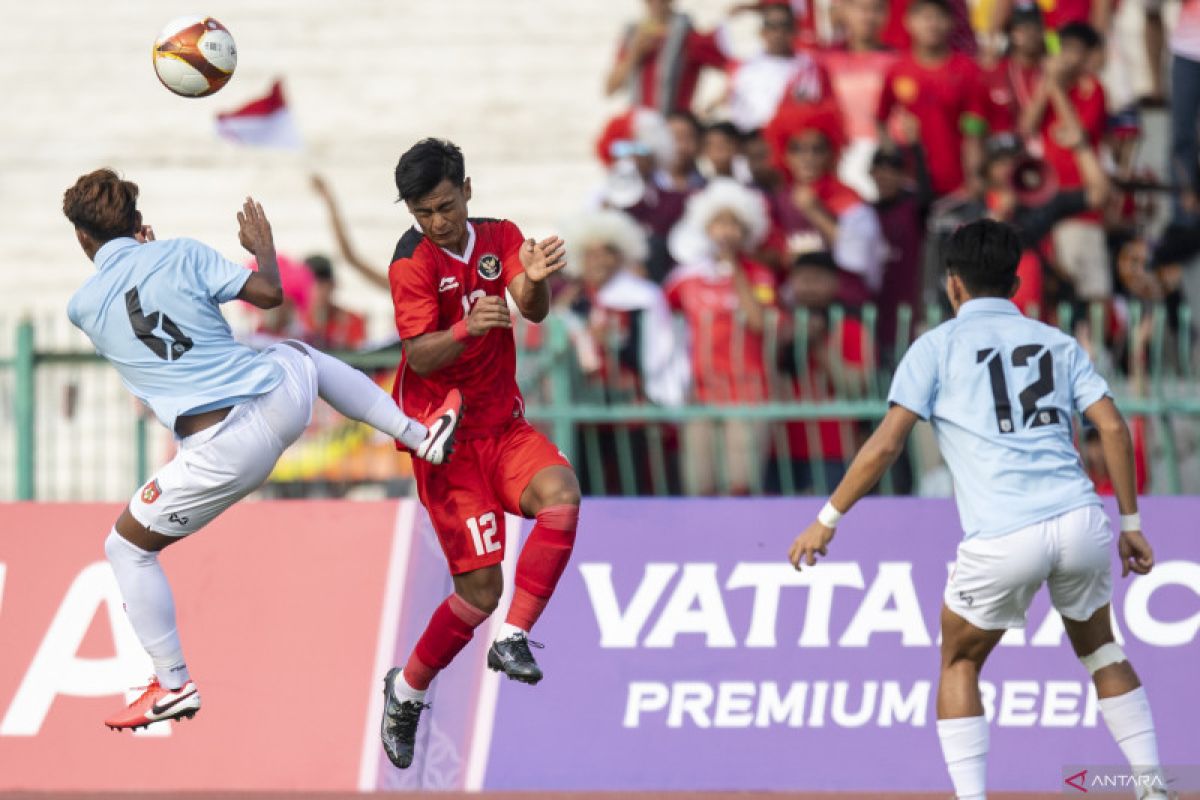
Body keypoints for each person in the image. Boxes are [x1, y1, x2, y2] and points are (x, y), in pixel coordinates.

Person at [61, 169, 460, 731]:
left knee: (126, 550)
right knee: (297, 352)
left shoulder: (81, 307)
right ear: (136, 221)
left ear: (82, 238)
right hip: (279, 401)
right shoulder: (181, 252)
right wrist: (262, 249)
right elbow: (270, 296)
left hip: (218, 452)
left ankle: (172, 684)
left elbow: (137, 309)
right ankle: (419, 435)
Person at [788, 219, 1168, 800]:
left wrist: (828, 518)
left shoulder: (935, 347)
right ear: (1015, 284)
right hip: (1080, 518)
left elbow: (886, 444)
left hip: (1003, 534)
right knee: (1101, 648)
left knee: (959, 662)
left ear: (953, 285)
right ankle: (1152, 788)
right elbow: (1112, 427)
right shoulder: (1057, 342)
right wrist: (1132, 525)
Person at [380, 139, 582, 769]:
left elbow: (533, 309)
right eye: (422, 213)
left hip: (503, 424)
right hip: (446, 441)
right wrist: (469, 326)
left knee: (563, 497)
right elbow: (418, 356)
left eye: (443, 206)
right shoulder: (411, 262)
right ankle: (407, 690)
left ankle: (515, 638)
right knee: (479, 590)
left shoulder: (500, 236)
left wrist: (536, 283)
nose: (436, 222)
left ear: (467, 188)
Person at [664, 179, 777, 495]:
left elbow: (759, 322)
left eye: (734, 224)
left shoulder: (759, 275)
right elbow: (659, 323)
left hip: (747, 394)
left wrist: (736, 269)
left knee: (740, 486)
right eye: (719, 223)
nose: (726, 231)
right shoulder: (686, 279)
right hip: (698, 396)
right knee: (700, 486)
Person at [1020, 24, 1112, 302]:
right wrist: (1045, 87)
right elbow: (1026, 127)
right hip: (1048, 200)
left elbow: (1077, 135)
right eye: (1063, 50)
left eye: (1074, 50)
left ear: (1087, 56)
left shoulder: (1092, 89)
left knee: (1090, 294)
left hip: (1083, 204)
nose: (1067, 58)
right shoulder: (1046, 86)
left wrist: (1057, 90)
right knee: (1054, 292)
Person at [766, 106, 886, 306]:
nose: (808, 157)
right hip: (794, 305)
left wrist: (814, 211)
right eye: (797, 148)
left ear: (831, 153)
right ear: (784, 153)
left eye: (817, 149)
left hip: (843, 303)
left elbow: (858, 254)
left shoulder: (848, 199)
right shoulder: (778, 199)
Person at [876, 0, 988, 198]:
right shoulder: (898, 70)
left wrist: (974, 175)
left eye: (938, 17)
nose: (931, 24)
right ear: (908, 22)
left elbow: (974, 127)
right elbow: (881, 117)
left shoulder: (966, 70)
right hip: (911, 182)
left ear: (951, 22)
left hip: (957, 182)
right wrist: (893, 159)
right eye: (924, 17)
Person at [604, 0, 731, 115]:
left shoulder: (688, 36)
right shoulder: (634, 36)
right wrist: (635, 53)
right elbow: (610, 89)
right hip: (639, 124)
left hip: (673, 124)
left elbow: (735, 71)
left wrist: (709, 108)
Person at [726, 2, 835, 134]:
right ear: (762, 32)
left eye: (785, 26)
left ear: (795, 30)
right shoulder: (744, 70)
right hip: (753, 141)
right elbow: (739, 114)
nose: (779, 33)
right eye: (773, 27)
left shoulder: (810, 68)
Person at [303, 255, 368, 350]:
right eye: (311, 285)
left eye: (322, 285)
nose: (317, 291)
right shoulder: (299, 323)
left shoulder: (352, 320)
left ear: (333, 285)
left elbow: (360, 356)